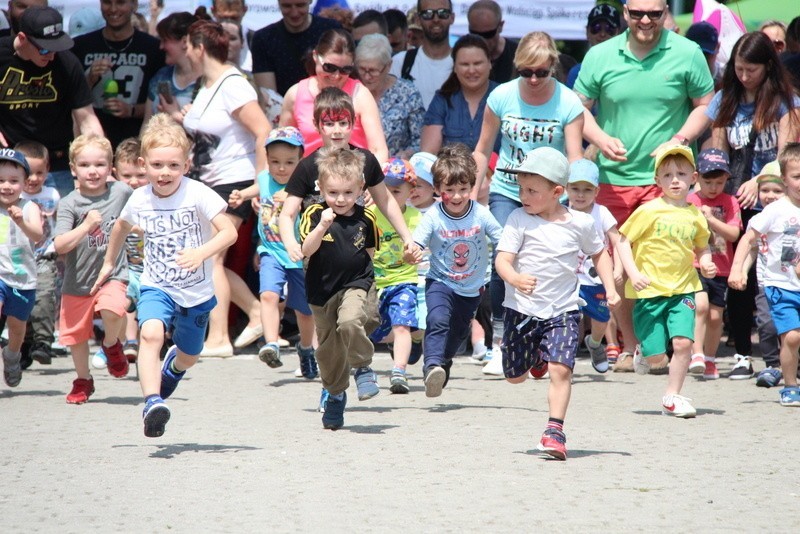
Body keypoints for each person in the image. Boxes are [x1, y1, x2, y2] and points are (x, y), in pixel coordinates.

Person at [574, 0, 715, 370]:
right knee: (618, 266)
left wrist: (681, 139)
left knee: (669, 260)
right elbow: (578, 107)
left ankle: (678, 343)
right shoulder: (600, 55)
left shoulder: (687, 53)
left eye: (654, 13)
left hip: (668, 179)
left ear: (665, 11)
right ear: (625, 12)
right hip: (612, 178)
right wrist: (600, 138)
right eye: (637, 13)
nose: (646, 21)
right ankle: (632, 347)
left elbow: (706, 103)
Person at [92, 113, 238, 437]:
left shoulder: (198, 193)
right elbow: (121, 226)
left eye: (173, 165)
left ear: (186, 165)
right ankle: (152, 401)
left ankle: (172, 367)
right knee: (150, 336)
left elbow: (229, 233)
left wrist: (202, 253)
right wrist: (108, 263)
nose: (165, 173)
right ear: (144, 165)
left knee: (189, 356)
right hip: (156, 285)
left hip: (196, 292)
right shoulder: (139, 198)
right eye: (157, 165)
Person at [495, 147, 618, 460]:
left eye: (532, 190)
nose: (523, 195)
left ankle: (554, 430)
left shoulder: (581, 223)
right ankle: (535, 357)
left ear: (557, 192)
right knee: (514, 376)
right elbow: (503, 260)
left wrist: (610, 287)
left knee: (561, 370)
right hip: (521, 310)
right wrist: (514, 278)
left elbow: (599, 253)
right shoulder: (518, 218)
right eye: (521, 188)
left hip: (563, 311)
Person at [472, 31, 584, 366]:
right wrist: (476, 196)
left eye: (541, 72)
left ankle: (541, 337)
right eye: (526, 72)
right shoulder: (502, 97)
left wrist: (580, 201)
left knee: (546, 266)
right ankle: (500, 341)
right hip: (508, 190)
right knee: (505, 261)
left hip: (552, 196)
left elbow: (575, 156)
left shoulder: (568, 102)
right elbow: (482, 150)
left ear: (554, 67)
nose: (533, 79)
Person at [706, 31, 800, 367]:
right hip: (735, 199)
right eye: (739, 69)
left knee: (776, 276)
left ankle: (779, 355)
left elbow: (786, 153)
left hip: (774, 199)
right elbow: (717, 150)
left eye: (751, 70)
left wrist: (758, 180)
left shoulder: (785, 102)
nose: (744, 76)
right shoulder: (725, 99)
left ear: (768, 67)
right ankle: (743, 351)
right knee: (736, 277)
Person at [182, 20, 269, 357]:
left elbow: (263, 131)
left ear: (199, 47)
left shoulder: (233, 83)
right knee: (211, 259)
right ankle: (256, 311)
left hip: (234, 181)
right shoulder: (206, 84)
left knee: (212, 258)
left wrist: (259, 184)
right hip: (208, 182)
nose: (186, 52)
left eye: (188, 45)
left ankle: (218, 338)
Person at [616, 145, 715, 418]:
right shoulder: (648, 211)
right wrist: (633, 274)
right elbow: (624, 241)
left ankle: (672, 396)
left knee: (683, 343)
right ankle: (644, 353)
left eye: (681, 174)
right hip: (650, 291)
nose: (675, 180)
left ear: (693, 177)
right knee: (656, 357)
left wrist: (705, 262)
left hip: (684, 287)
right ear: (657, 180)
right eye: (667, 174)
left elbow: (702, 247)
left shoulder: (695, 214)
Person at [278, 87, 413, 265]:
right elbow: (288, 214)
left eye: (343, 123)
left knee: (359, 291)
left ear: (353, 122)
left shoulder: (366, 160)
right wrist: (290, 243)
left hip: (357, 252)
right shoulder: (307, 166)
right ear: (317, 124)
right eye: (329, 124)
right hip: (319, 258)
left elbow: (386, 201)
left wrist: (407, 238)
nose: (337, 130)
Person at [410, 143, 502, 398]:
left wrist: (513, 255)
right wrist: (412, 251)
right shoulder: (433, 215)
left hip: (471, 289)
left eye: (463, 189)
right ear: (438, 190)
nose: (458, 196)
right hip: (440, 281)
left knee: (458, 332)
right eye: (450, 190)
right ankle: (431, 366)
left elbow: (501, 238)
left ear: (471, 187)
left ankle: (443, 363)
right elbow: (417, 241)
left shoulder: (481, 214)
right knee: (437, 319)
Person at [298, 146, 381, 430]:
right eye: (333, 193)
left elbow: (369, 251)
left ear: (360, 188)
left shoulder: (367, 218)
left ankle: (363, 367)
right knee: (329, 350)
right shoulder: (313, 214)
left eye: (348, 192)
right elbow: (306, 251)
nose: (341, 199)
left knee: (350, 321)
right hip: (321, 292)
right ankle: (335, 394)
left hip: (355, 283)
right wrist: (321, 227)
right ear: (321, 189)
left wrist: (366, 286)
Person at [228, 126, 319, 377]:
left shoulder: (305, 184)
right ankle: (271, 343)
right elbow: (255, 188)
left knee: (304, 311)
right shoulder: (265, 178)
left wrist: (294, 199)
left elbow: (315, 208)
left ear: (301, 160)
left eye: (289, 162)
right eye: (275, 161)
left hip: (299, 255)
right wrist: (241, 196)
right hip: (270, 250)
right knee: (268, 295)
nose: (281, 168)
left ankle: (307, 349)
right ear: (266, 160)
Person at [54, 134, 133, 404]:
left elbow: (145, 207)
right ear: (73, 168)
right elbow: (60, 245)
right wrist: (86, 226)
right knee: (75, 336)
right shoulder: (69, 203)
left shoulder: (121, 192)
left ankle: (111, 344)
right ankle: (83, 379)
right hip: (77, 282)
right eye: (85, 165)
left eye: (100, 164)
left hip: (113, 274)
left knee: (114, 309)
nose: (93, 171)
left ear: (111, 167)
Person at [0, 6, 104, 198]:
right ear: (22, 38)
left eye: (57, 47)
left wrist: (101, 161)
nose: (51, 55)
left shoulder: (67, 63)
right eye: (44, 48)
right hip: (7, 167)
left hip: (56, 166)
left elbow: (87, 119)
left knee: (62, 226)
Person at [729, 143, 800, 407]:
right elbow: (749, 239)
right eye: (796, 177)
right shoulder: (775, 210)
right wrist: (738, 270)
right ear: (785, 179)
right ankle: (790, 386)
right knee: (792, 336)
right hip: (780, 283)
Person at [280, 28, 388, 161]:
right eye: (329, 68)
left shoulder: (360, 95)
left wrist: (366, 179)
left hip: (355, 175)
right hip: (308, 176)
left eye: (345, 70)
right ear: (315, 56)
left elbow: (378, 150)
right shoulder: (295, 95)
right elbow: (282, 148)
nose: (336, 76)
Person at [72, 0, 165, 149]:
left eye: (120, 3)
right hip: (92, 145)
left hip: (136, 144)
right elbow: (69, 100)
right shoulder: (80, 46)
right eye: (107, 3)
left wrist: (131, 110)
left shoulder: (153, 48)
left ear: (134, 5)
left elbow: (162, 105)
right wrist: (89, 79)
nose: (113, 9)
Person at [368, 157, 422, 394]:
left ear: (412, 190)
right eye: (385, 189)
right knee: (374, 332)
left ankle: (399, 371)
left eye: (397, 189)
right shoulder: (368, 215)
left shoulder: (417, 218)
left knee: (402, 325)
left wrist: (415, 254)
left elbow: (422, 248)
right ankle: (407, 342)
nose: (389, 194)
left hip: (403, 280)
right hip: (374, 282)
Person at [687, 149, 742, 380]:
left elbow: (733, 234)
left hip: (721, 266)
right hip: (694, 265)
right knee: (698, 308)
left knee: (715, 317)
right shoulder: (690, 200)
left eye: (719, 182)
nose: (713, 188)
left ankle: (710, 359)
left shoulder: (730, 201)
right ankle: (696, 354)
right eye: (708, 182)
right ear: (697, 177)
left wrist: (710, 219)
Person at [728, 161, 784, 388]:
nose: (770, 196)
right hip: (767, 282)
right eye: (765, 190)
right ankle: (772, 365)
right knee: (767, 325)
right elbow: (751, 247)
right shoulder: (758, 219)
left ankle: (792, 364)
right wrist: (741, 270)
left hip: (793, 282)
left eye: (777, 191)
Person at [564, 158, 622, 374]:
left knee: (600, 320)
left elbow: (617, 240)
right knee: (568, 322)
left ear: (596, 191)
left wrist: (618, 270)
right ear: (566, 188)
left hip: (596, 279)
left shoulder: (602, 213)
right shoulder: (560, 211)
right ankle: (564, 365)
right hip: (568, 280)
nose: (580, 194)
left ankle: (595, 344)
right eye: (575, 188)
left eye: (587, 190)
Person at [0, 148, 42, 388]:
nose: (6, 186)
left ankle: (12, 354)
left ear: (25, 183)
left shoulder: (29, 207)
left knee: (17, 329)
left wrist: (21, 221)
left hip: (23, 278)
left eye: (13, 181)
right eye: (1, 180)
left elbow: (37, 235)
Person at [16, 141, 58, 369]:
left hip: (44, 256)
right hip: (17, 259)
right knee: (23, 303)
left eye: (39, 173)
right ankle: (25, 343)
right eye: (29, 173)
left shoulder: (53, 194)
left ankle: (43, 343)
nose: (33, 179)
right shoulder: (12, 194)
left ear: (48, 169)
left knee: (43, 299)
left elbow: (61, 220)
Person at [421, 34, 499, 155]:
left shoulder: (504, 95)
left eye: (477, 63)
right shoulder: (442, 99)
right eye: (465, 64)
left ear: (489, 63)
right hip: (449, 173)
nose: (471, 70)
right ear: (455, 67)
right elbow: (428, 153)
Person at [251, 0, 341, 96]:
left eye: (300, 5)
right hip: (282, 107)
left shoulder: (331, 30)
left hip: (328, 103)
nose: (294, 13)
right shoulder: (263, 38)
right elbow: (269, 95)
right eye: (287, 6)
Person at [355, 33, 423, 159]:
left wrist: (407, 154)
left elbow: (420, 139)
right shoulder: (352, 90)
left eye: (373, 70)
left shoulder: (407, 93)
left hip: (395, 170)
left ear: (388, 66)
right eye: (362, 69)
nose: (367, 76)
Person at [112, 137, 148, 362]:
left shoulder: (152, 198)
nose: (134, 181)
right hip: (125, 266)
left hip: (152, 265)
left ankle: (148, 344)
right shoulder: (116, 199)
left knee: (148, 306)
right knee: (126, 300)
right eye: (127, 176)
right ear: (115, 173)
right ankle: (129, 341)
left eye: (140, 175)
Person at [142, 12, 202, 133]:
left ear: (185, 42)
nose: (161, 47)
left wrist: (176, 117)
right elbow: (146, 124)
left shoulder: (209, 80)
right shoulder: (160, 77)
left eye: (165, 40)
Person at [389, 0, 454, 109]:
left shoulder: (465, 63)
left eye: (443, 13)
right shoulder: (400, 62)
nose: (436, 19)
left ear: (452, 17)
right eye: (428, 14)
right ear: (418, 20)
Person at [566, 3, 622, 89]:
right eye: (596, 28)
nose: (602, 34)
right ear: (587, 32)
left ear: (618, 32)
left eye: (609, 29)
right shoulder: (577, 73)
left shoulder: (628, 67)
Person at [466, 0, 518, 84]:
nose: (482, 40)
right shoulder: (461, 54)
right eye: (475, 34)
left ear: (500, 26)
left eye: (488, 34)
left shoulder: (518, 54)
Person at [212, 0, 253, 71]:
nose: (229, 22)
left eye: (234, 18)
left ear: (244, 10)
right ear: (213, 11)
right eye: (223, 18)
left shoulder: (257, 41)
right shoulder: (202, 41)